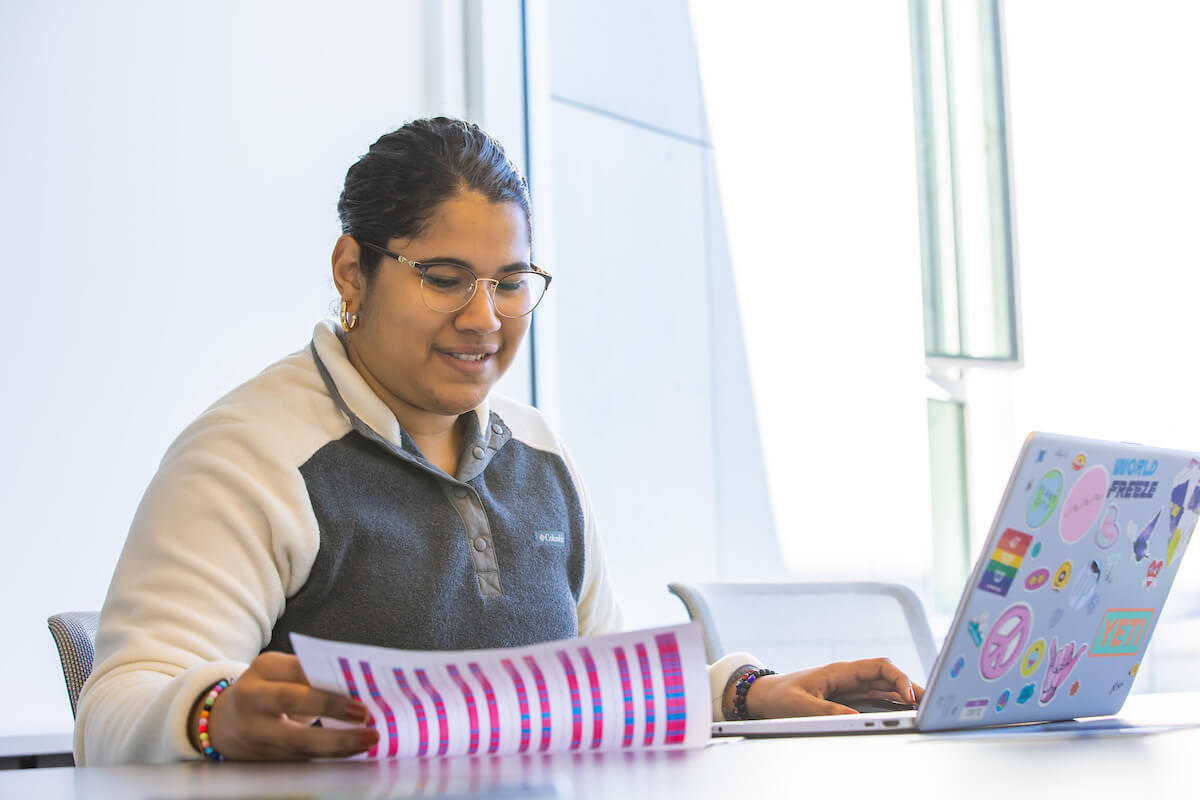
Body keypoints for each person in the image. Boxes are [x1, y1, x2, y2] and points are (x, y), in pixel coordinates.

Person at [74, 117, 922, 765]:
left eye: (511, 284)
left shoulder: (538, 452)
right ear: (350, 271)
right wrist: (210, 711)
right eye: (445, 279)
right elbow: (113, 707)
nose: (483, 319)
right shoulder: (250, 456)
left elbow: (591, 689)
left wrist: (743, 692)